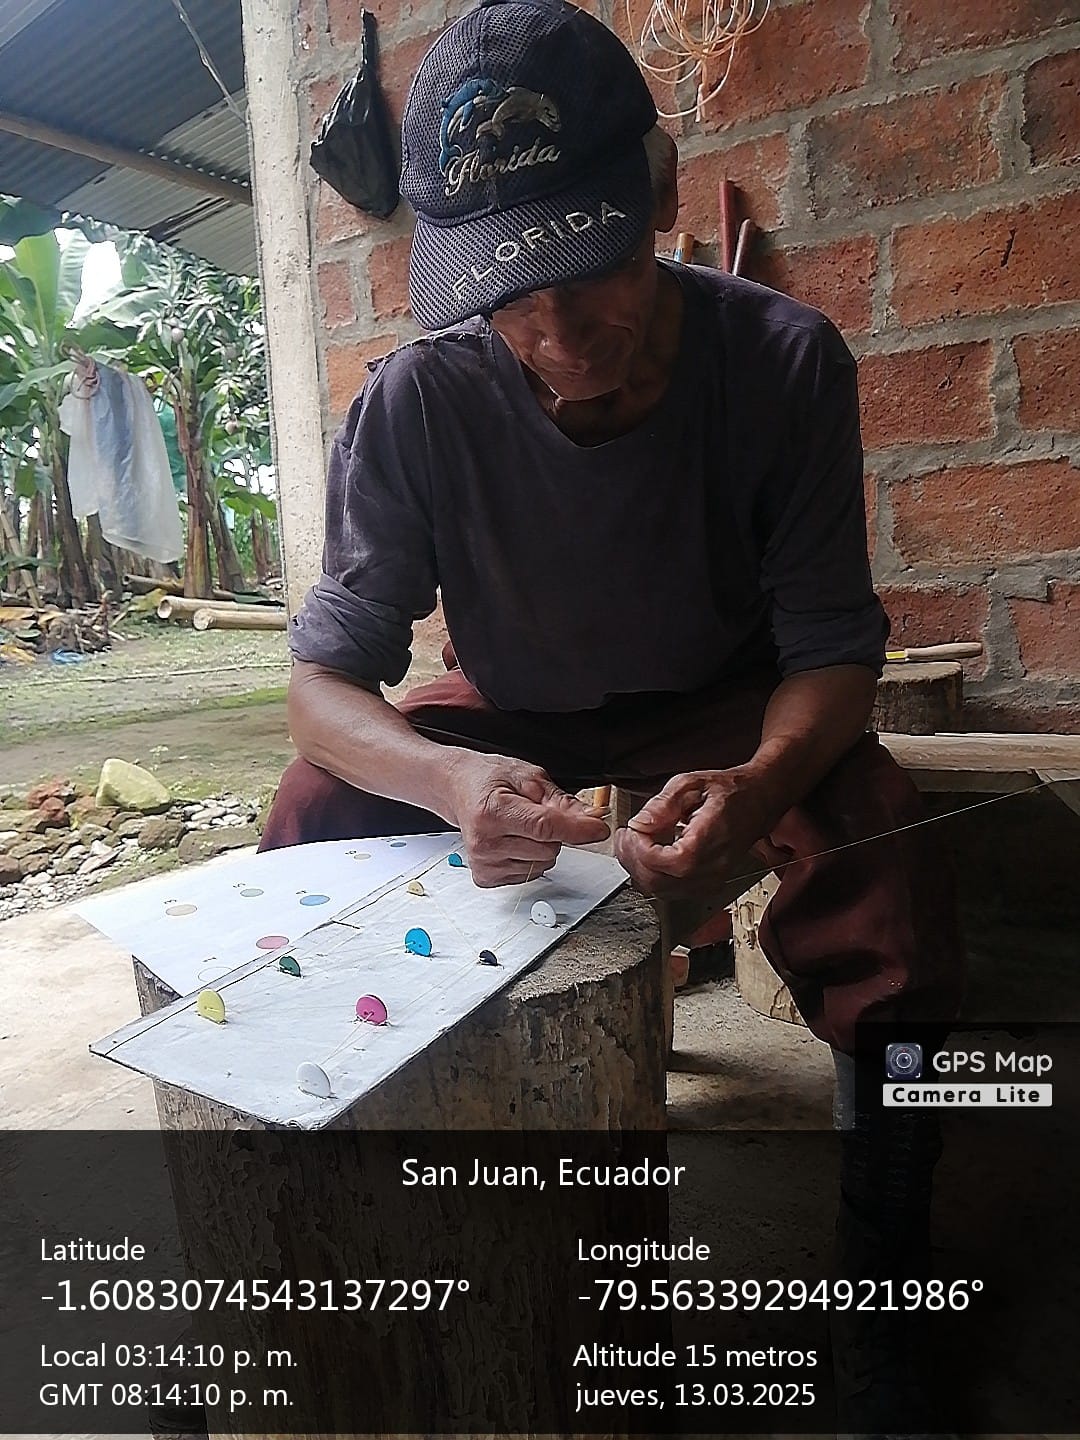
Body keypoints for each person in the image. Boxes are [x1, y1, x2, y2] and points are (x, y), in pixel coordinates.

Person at [263, 0, 963, 1428]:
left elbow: (838, 652)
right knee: (314, 812)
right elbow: (322, 690)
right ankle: (337, 1209)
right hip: (513, 706)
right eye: (509, 296)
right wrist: (451, 785)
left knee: (884, 852)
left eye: (589, 272)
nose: (560, 332)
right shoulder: (416, 399)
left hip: (727, 703)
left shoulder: (784, 362)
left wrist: (763, 785)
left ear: (655, 195)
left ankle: (888, 1267)